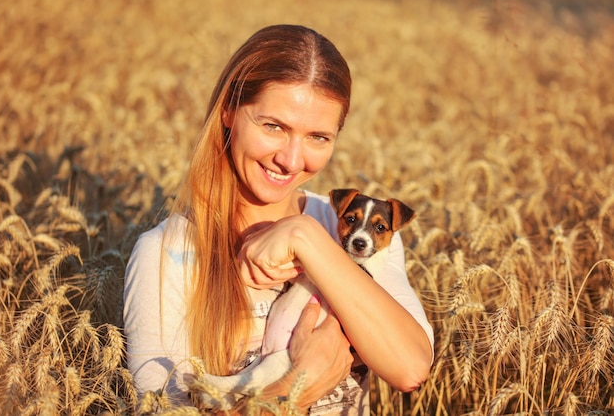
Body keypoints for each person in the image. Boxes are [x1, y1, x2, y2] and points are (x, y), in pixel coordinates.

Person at [123, 24, 434, 415]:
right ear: (229, 112)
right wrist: (295, 388)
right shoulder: (167, 254)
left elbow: (410, 367)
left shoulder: (351, 230)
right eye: (274, 126)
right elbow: (160, 410)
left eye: (318, 137)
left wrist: (307, 235)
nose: (290, 159)